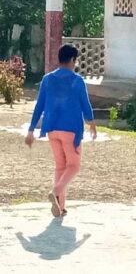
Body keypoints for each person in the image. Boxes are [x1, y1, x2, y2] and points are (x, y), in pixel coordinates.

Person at [25, 44, 97, 217]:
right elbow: (85, 105)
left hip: (51, 128)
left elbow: (39, 106)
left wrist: (31, 129)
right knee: (73, 166)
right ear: (72, 60)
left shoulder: (47, 79)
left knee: (60, 166)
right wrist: (92, 123)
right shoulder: (77, 80)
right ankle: (56, 192)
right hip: (71, 129)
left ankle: (60, 206)